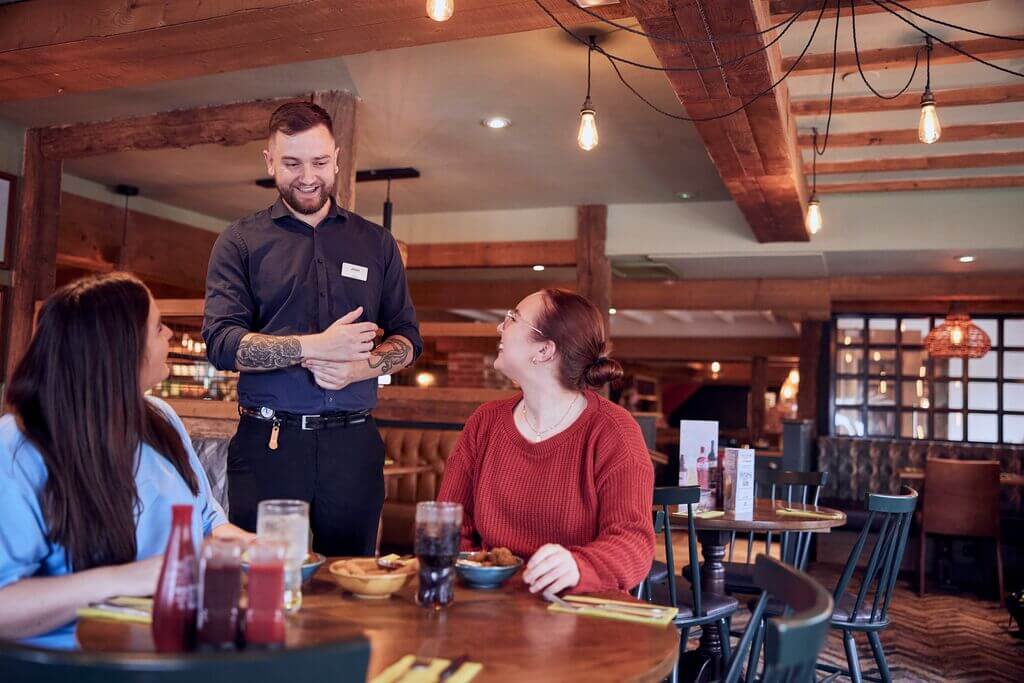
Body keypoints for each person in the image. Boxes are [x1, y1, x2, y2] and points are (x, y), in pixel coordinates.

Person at [203, 101, 422, 557]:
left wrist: (359, 370)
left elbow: (408, 339)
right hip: (268, 446)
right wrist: (312, 347)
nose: (308, 176)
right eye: (292, 163)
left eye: (320, 162)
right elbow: (222, 344)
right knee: (265, 582)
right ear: (269, 162)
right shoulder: (240, 242)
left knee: (354, 581)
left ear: (338, 158)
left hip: (354, 444)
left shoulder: (376, 243)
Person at [0, 273, 251, 649]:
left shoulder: (160, 419)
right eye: (157, 327)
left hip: (174, 649)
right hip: (74, 666)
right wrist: (129, 578)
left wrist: (255, 548)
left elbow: (206, 522)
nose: (169, 335)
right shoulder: (18, 447)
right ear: (119, 351)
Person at [437, 289, 654, 596]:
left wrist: (579, 567)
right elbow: (451, 524)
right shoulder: (484, 422)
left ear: (544, 351)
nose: (500, 327)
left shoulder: (613, 430)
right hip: (489, 601)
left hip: (575, 605)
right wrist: (475, 579)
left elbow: (633, 542)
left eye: (513, 318)